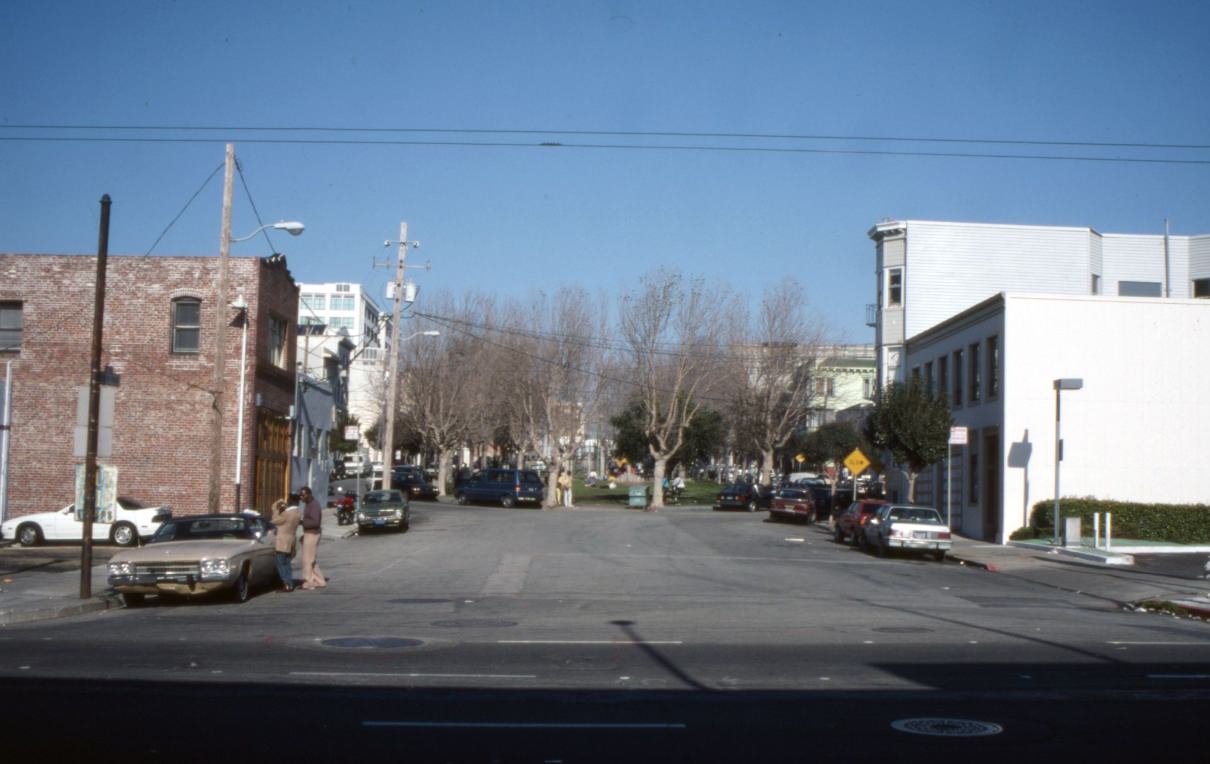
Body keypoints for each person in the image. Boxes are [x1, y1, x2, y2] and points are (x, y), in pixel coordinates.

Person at [298, 486, 326, 590]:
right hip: (309, 533)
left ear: (309, 494)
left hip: (313, 534)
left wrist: (301, 522)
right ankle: (320, 581)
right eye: (300, 495)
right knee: (311, 559)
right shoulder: (308, 504)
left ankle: (308, 582)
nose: (301, 497)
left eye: (303, 495)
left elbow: (315, 522)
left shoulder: (314, 505)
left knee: (307, 560)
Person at [269, 499, 300, 592]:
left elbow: (274, 521)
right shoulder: (298, 513)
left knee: (281, 563)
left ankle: (286, 583)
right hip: (291, 540)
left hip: (283, 541)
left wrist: (276, 509)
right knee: (287, 563)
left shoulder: (287, 514)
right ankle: (289, 583)